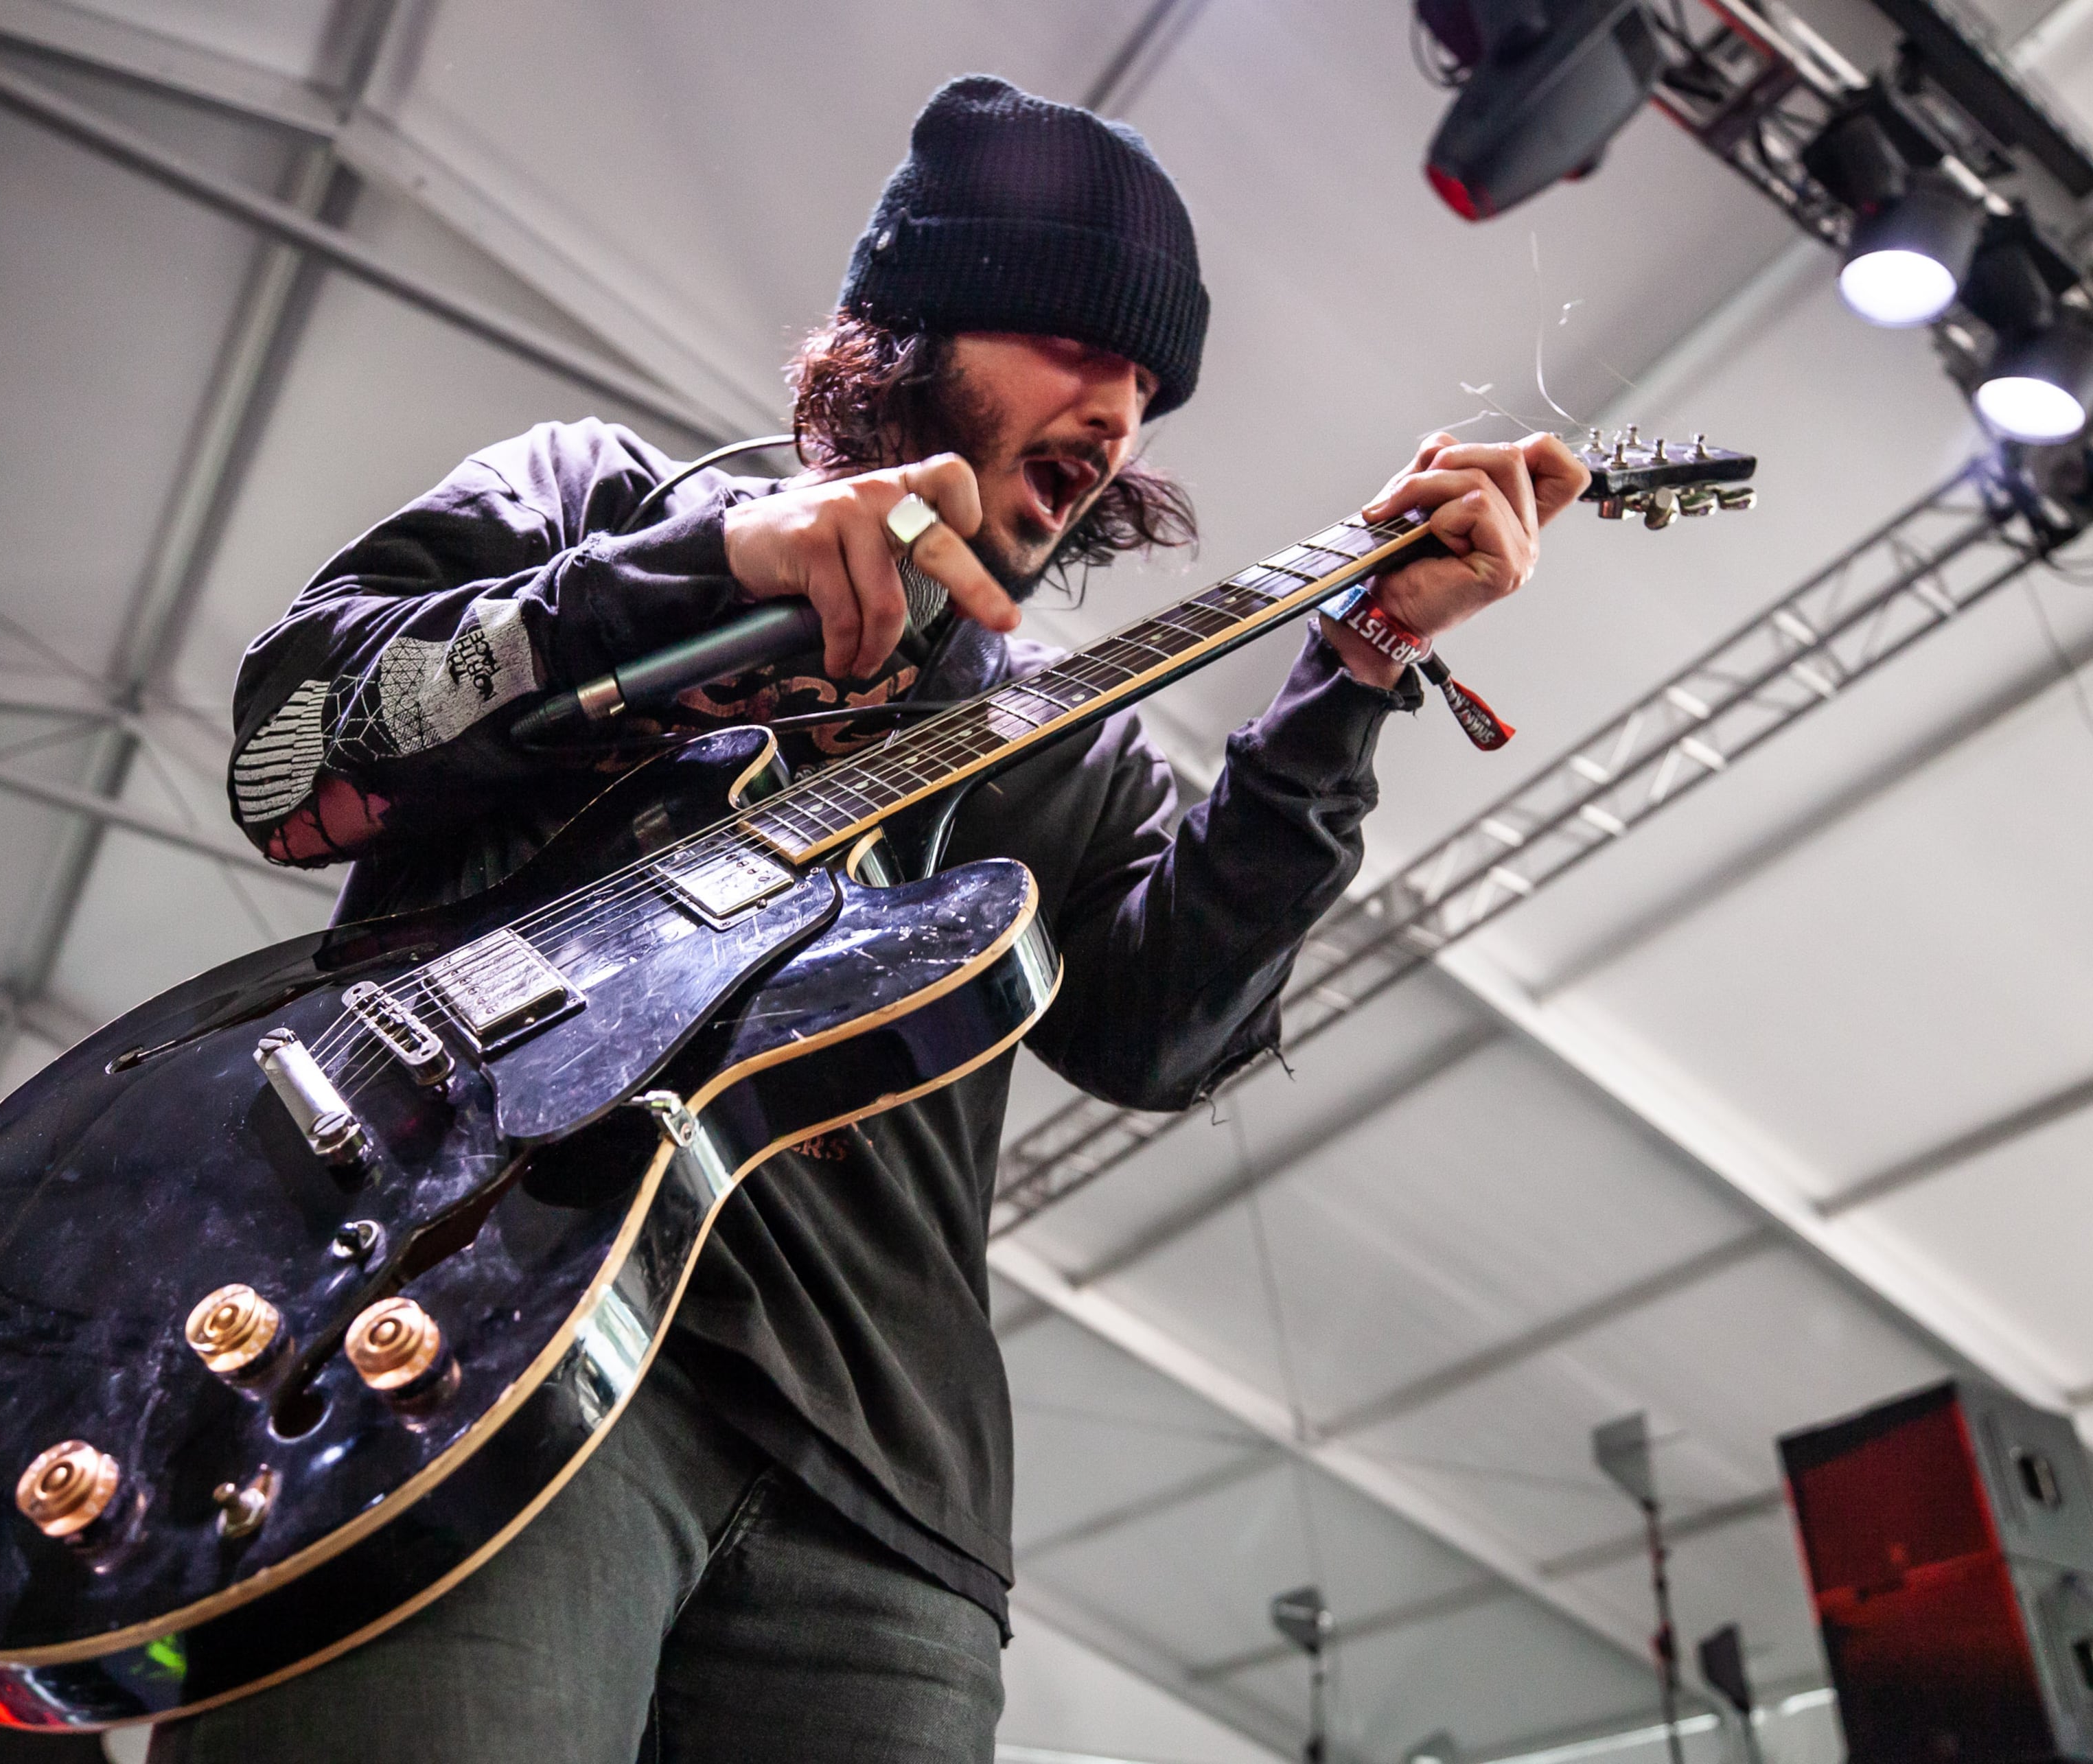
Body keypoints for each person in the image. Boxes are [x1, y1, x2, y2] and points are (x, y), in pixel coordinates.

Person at [167, 73, 1586, 1764]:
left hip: (883, 1505)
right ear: (909, 325)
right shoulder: (600, 500)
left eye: (1147, 384)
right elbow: (287, 754)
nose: (1119, 412)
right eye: (1078, 342)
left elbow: (1162, 1028)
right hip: (470, 1356)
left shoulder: (1048, 725)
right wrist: (701, 580)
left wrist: (1351, 675)